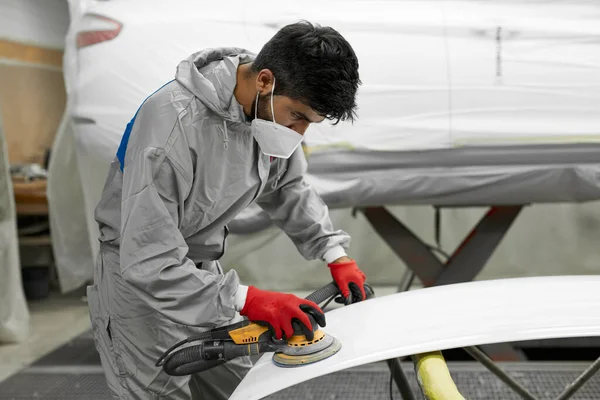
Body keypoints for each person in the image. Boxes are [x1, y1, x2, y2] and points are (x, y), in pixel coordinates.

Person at [87, 20, 367, 399]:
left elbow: (287, 187)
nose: (299, 133)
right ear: (265, 80)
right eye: (298, 116)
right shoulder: (172, 124)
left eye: (310, 123)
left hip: (203, 277)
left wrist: (335, 254)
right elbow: (149, 260)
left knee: (246, 390)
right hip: (140, 283)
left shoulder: (265, 114)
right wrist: (250, 299)